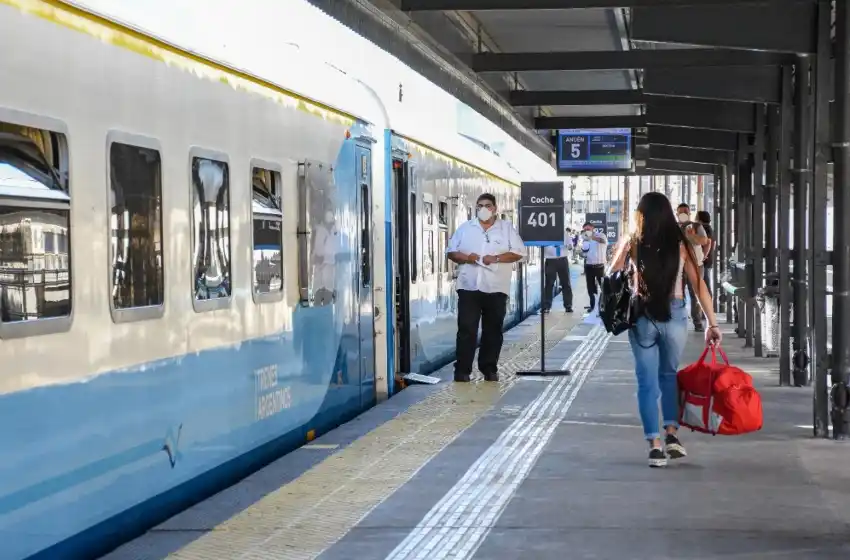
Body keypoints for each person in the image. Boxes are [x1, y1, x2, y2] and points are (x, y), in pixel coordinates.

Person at [610, 192, 722, 468]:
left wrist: (623, 251)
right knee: (669, 376)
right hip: (675, 315)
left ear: (641, 215)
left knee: (646, 383)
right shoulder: (682, 244)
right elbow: (699, 287)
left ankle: (655, 445)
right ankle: (671, 434)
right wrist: (712, 323)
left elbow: (611, 276)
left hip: (643, 318)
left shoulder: (634, 242)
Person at [446, 193, 526, 382]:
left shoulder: (506, 229)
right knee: (466, 329)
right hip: (469, 287)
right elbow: (451, 252)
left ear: (495, 208)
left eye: (488, 205)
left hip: (496, 288)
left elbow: (519, 253)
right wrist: (467, 257)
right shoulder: (466, 228)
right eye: (480, 205)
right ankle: (462, 371)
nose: (483, 209)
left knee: (493, 330)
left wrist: (496, 258)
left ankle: (489, 368)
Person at [676, 203, 710, 331]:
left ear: (690, 213)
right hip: (678, 266)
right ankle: (680, 321)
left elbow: (705, 241)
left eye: (686, 211)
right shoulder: (673, 227)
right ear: (677, 214)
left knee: (697, 293)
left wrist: (691, 236)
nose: (683, 213)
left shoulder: (696, 226)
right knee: (678, 294)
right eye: (681, 212)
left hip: (696, 265)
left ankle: (697, 322)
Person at [542, 231, 573, 313]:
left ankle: (568, 305)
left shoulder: (565, 234)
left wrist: (569, 246)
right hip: (550, 260)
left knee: (566, 283)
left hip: (562, 259)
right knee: (549, 284)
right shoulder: (545, 233)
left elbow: (570, 245)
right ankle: (546, 306)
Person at [580, 222, 608, 312]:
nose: (586, 231)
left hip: (600, 266)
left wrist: (592, 237)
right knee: (590, 288)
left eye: (588, 229)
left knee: (603, 287)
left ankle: (605, 306)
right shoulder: (585, 239)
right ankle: (593, 306)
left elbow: (603, 242)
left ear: (592, 228)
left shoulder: (601, 235)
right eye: (585, 230)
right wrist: (582, 253)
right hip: (589, 266)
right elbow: (585, 252)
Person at [696, 210, 715, 292]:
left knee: (705, 284)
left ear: (700, 219)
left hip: (704, 261)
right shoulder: (709, 228)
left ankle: (708, 302)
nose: (695, 218)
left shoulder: (704, 228)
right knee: (705, 283)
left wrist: (703, 256)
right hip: (708, 259)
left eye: (696, 216)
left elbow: (708, 243)